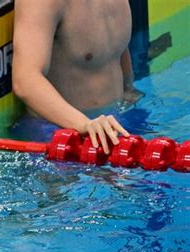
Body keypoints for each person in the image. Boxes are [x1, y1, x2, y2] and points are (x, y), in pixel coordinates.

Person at [12, 0, 142, 154]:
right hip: (60, 135)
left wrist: (129, 88)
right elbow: (25, 80)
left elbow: (116, 47)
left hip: (115, 121)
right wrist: (84, 124)